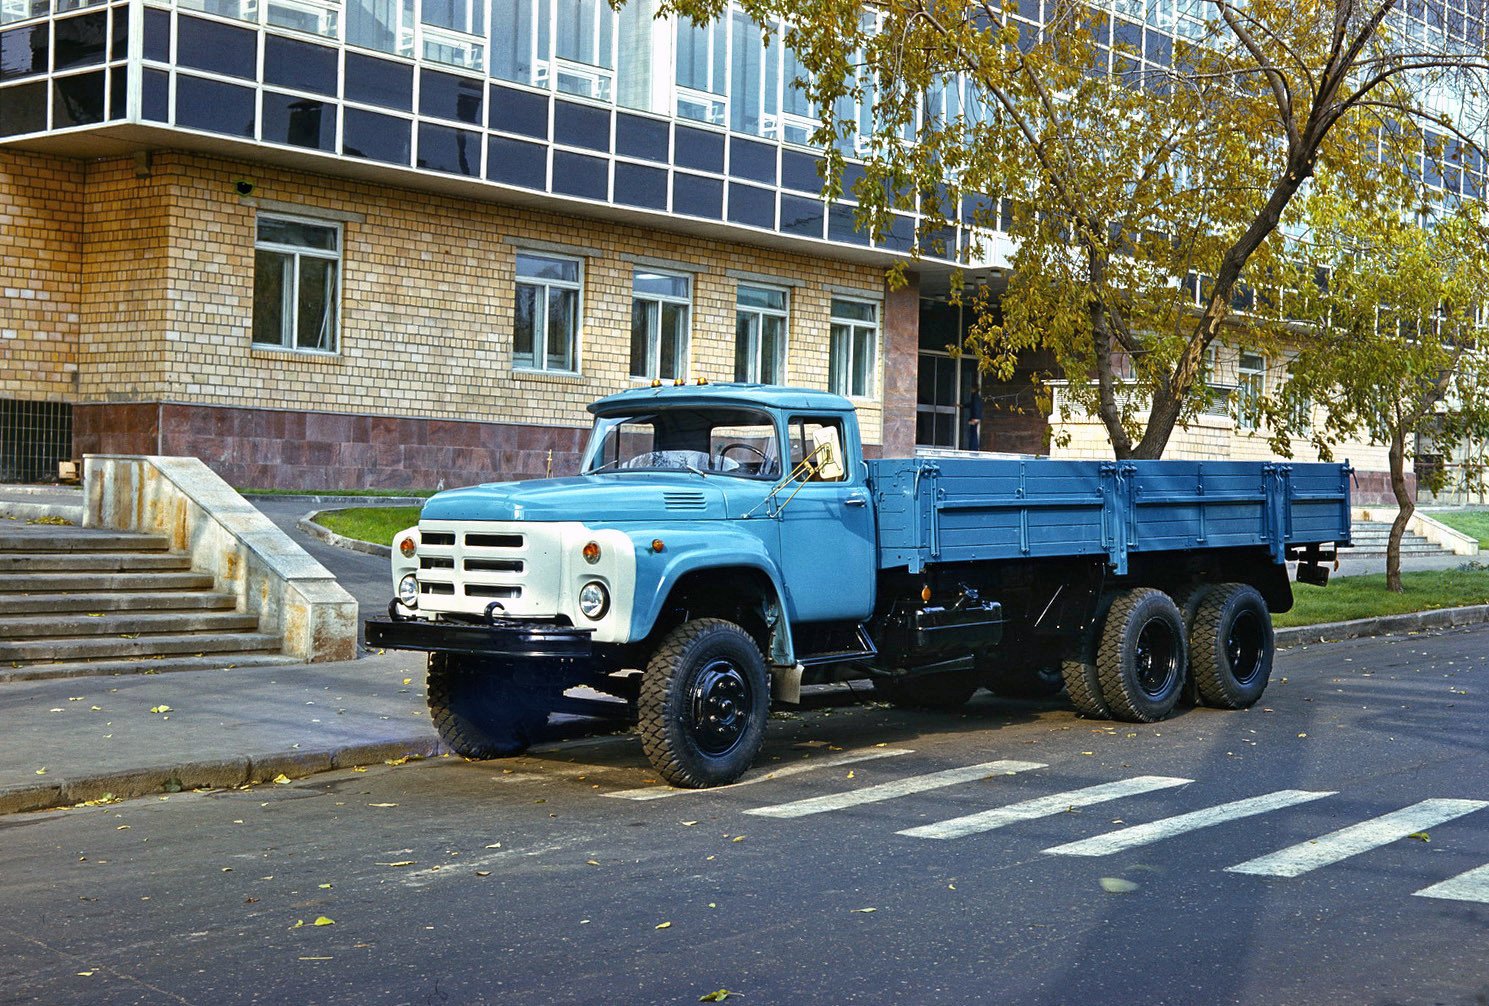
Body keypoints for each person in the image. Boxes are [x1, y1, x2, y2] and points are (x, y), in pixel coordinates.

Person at [962, 383, 983, 451]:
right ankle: (973, 448)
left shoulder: (976, 397)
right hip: (975, 418)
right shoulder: (975, 396)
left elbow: (976, 407)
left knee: (973, 433)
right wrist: (962, 405)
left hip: (974, 418)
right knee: (973, 433)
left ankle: (974, 448)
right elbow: (971, 404)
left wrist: (976, 418)